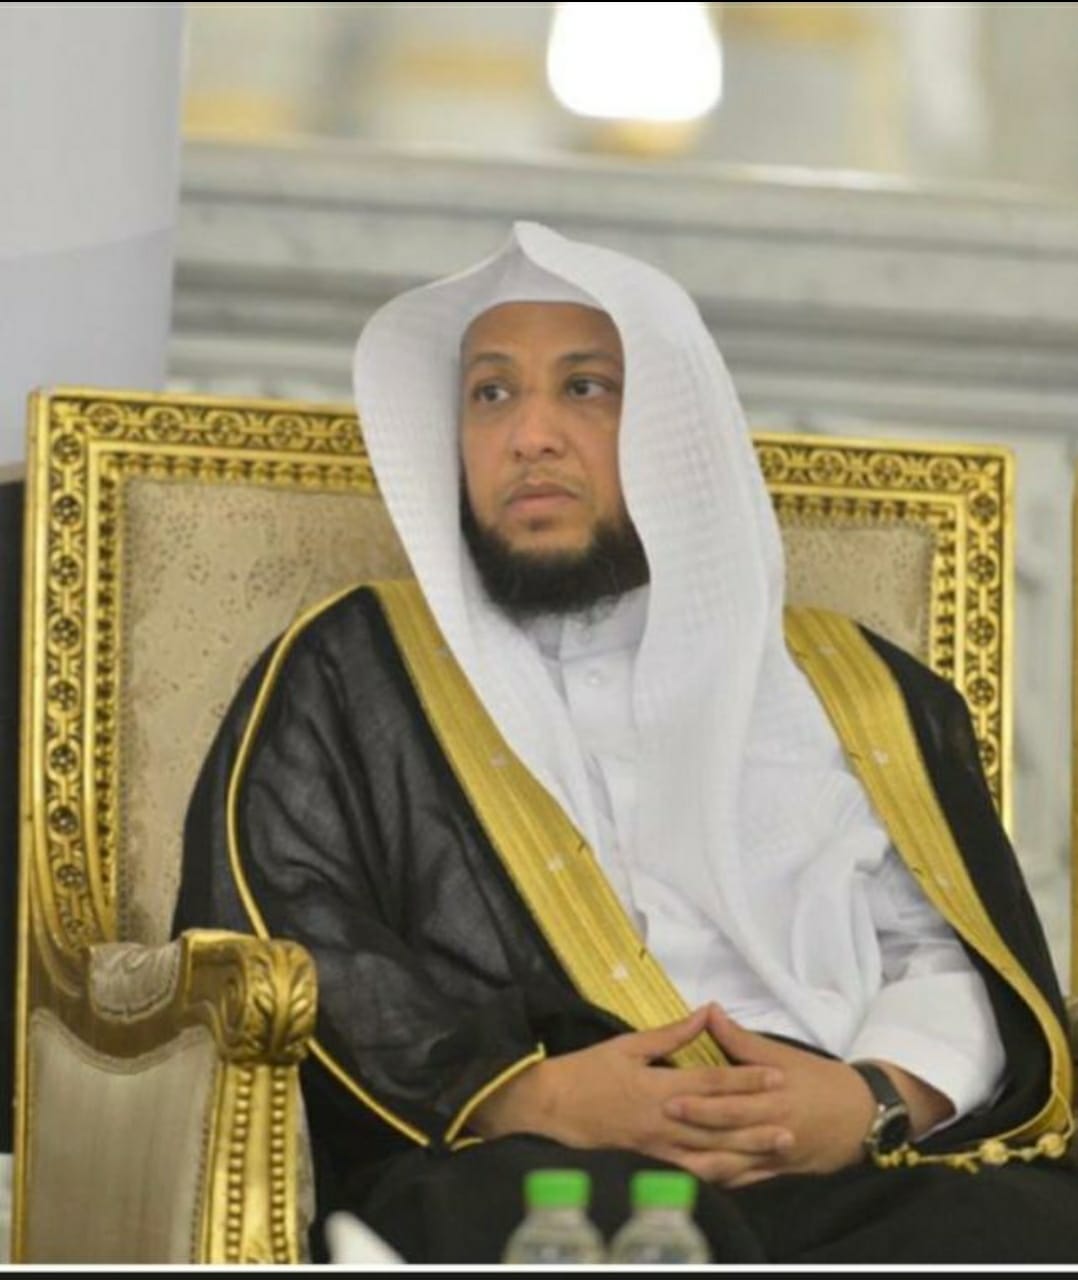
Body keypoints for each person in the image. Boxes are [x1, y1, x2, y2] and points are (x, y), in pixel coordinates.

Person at [173, 222, 1078, 1264]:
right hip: (538, 1152)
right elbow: (289, 923)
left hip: (837, 1154)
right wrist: (526, 1095)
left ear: (675, 424)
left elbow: (953, 951)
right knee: (552, 1222)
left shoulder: (855, 686)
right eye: (491, 393)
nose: (531, 435)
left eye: (585, 388)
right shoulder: (357, 664)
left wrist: (874, 1096)